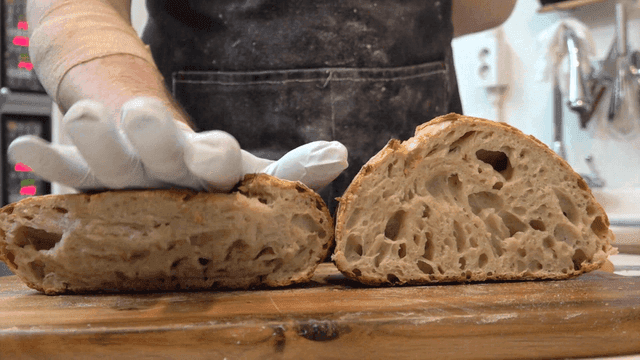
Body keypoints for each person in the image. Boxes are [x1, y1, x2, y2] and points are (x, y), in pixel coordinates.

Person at [13, 0, 516, 211]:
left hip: (429, 238)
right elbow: (74, 8)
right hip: (199, 219)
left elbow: (489, 8)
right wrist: (131, 110)